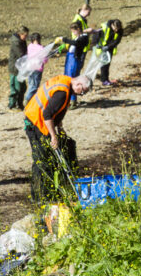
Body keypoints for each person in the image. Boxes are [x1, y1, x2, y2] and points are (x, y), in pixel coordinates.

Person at [23, 74, 92, 202]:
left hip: (40, 119)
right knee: (41, 159)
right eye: (82, 92)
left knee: (52, 155)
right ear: (78, 85)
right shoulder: (62, 92)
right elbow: (47, 114)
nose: (80, 95)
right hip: (35, 122)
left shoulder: (65, 81)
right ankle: (39, 197)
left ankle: (52, 191)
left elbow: (57, 112)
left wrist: (60, 128)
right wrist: (53, 137)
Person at [60, 22, 89, 108]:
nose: (73, 33)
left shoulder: (84, 37)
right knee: (67, 77)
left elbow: (76, 44)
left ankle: (73, 100)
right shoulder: (78, 37)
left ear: (78, 29)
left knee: (73, 78)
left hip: (75, 59)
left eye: (74, 31)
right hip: (70, 58)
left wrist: (64, 39)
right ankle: (68, 99)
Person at [91, 19, 123, 85]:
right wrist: (95, 44)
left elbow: (117, 41)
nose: (116, 30)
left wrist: (108, 47)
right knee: (94, 65)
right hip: (99, 49)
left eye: (118, 29)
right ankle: (90, 80)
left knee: (106, 65)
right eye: (115, 28)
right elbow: (96, 35)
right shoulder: (104, 27)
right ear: (112, 25)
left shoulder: (120, 31)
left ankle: (104, 80)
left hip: (109, 49)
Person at [8, 26, 29, 109]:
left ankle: (19, 104)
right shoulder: (16, 42)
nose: (26, 37)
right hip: (15, 68)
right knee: (16, 88)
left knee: (23, 87)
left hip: (21, 67)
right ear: (20, 34)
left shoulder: (22, 41)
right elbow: (21, 54)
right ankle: (12, 105)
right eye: (25, 35)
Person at [25, 33, 49, 102]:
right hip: (37, 69)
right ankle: (28, 99)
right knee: (34, 86)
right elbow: (45, 60)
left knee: (30, 84)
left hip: (30, 67)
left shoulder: (29, 46)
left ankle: (32, 100)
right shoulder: (41, 48)